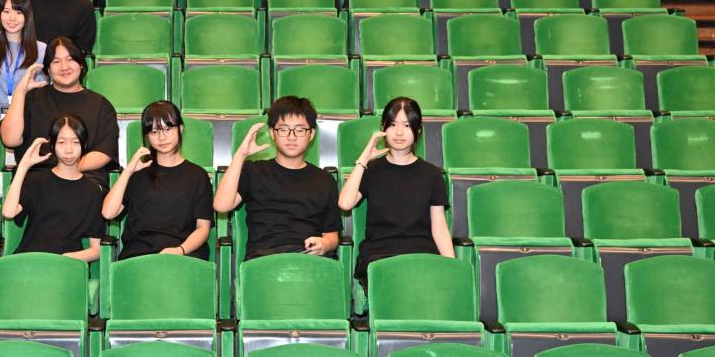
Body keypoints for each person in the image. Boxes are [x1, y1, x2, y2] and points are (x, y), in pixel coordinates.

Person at [212, 96, 341, 260]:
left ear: (311, 134)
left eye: (300, 130)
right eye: (284, 129)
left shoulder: (325, 180)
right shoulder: (253, 171)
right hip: (265, 260)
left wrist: (324, 244)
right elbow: (221, 205)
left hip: (309, 259)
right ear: (272, 133)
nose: (291, 137)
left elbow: (332, 236)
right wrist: (240, 155)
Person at [338, 97, 453, 282]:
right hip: (379, 257)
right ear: (383, 128)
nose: (399, 132)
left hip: (420, 256)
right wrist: (363, 160)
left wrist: (452, 268)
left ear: (418, 130)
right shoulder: (372, 169)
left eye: (406, 125)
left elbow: (439, 227)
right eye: (392, 124)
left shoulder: (432, 174)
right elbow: (345, 204)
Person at [0, 36, 118, 188]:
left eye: (70, 59)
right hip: (37, 179)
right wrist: (20, 92)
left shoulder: (101, 105)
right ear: (48, 70)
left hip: (83, 178)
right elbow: (10, 140)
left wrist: (65, 171)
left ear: (81, 64)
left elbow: (104, 152)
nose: (64, 67)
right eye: (56, 61)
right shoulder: (32, 99)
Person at [101, 101, 213, 260]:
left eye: (168, 129)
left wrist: (180, 250)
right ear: (147, 136)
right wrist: (127, 171)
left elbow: (203, 228)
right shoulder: (137, 174)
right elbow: (108, 213)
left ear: (180, 128)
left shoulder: (198, 176)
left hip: (183, 257)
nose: (162, 137)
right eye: (154, 132)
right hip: (139, 258)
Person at [2, 115, 105, 262]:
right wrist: (23, 166)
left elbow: (97, 249)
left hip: (66, 266)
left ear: (84, 144)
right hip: (29, 261)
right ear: (52, 145)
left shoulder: (92, 191)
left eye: (75, 142)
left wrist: (65, 259)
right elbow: (8, 212)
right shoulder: (35, 180)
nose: (69, 150)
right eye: (61, 142)